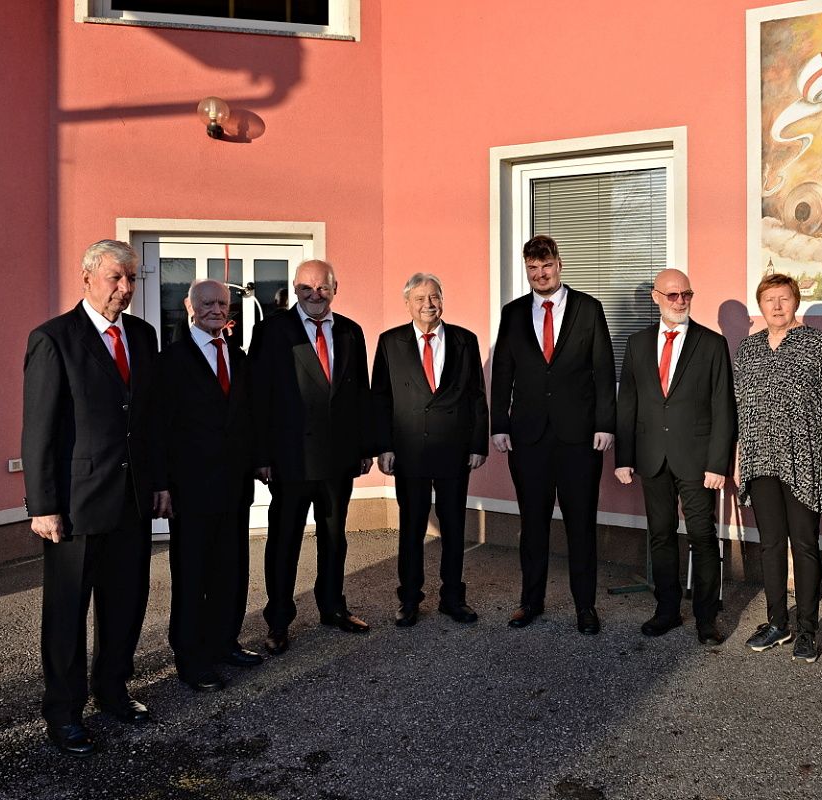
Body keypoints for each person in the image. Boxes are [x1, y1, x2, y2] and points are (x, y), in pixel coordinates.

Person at [22, 240, 161, 756]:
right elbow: (39, 429)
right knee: (67, 612)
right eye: (114, 278)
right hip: (74, 505)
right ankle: (64, 712)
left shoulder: (143, 336)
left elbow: (149, 421)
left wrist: (159, 483)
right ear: (87, 278)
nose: (124, 288)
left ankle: (113, 690)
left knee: (125, 603)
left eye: (131, 279)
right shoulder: (54, 338)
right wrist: (43, 506)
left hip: (131, 499)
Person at [491, 234, 616, 635]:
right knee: (533, 523)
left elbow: (603, 370)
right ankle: (531, 601)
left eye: (546, 266)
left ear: (559, 265)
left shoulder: (588, 308)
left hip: (580, 437)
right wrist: (499, 425)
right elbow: (503, 372)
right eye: (533, 268)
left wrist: (605, 423)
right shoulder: (513, 313)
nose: (540, 274)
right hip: (528, 437)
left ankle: (585, 607)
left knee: (581, 524)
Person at [249, 259, 374, 655]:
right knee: (284, 542)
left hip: (339, 458)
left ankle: (333, 607)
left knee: (334, 539)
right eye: (306, 288)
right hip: (291, 459)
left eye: (322, 288)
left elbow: (361, 395)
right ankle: (279, 620)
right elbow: (258, 397)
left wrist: (365, 448)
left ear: (335, 289)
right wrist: (261, 455)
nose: (314, 295)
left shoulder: (351, 331)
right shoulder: (271, 331)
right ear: (295, 290)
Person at [734, 273, 822, 663]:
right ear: (760, 305)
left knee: (804, 545)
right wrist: (738, 459)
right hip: (759, 460)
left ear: (795, 301)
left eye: (784, 298)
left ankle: (807, 630)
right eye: (769, 299)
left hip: (806, 460)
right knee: (770, 545)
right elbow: (739, 409)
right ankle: (777, 623)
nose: (777, 306)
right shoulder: (748, 349)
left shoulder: (819, 345)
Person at [614, 269, 736, 645]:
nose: (680, 301)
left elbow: (723, 407)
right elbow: (627, 402)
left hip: (697, 461)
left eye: (686, 294)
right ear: (656, 298)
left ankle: (706, 618)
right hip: (652, 457)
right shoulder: (637, 344)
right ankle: (666, 610)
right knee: (661, 535)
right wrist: (623, 457)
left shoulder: (711, 344)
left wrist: (718, 463)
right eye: (672, 295)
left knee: (702, 535)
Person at [151, 280, 260, 694]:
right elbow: (159, 427)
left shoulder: (238, 356)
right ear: (190, 307)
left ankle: (224, 642)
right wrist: (161, 483)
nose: (216, 309)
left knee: (231, 569)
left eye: (222, 303)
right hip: (190, 489)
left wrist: (259, 461)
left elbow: (248, 416)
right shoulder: (170, 361)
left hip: (234, 486)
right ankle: (191, 658)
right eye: (208, 303)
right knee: (192, 574)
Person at [373, 273, 489, 627]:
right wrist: (383, 446)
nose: (428, 304)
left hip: (454, 450)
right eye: (420, 298)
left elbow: (476, 396)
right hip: (409, 450)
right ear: (407, 303)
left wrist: (478, 444)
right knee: (411, 528)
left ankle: (453, 597)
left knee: (453, 527)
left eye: (434, 296)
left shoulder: (465, 340)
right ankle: (409, 598)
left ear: (442, 300)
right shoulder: (390, 342)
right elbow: (380, 398)